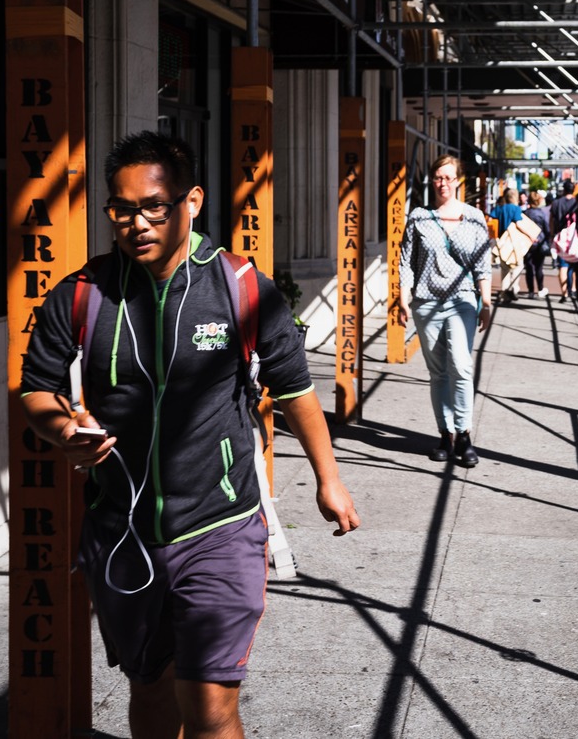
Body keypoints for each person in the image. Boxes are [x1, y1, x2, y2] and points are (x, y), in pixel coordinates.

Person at [19, 131, 359, 739]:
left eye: (154, 206)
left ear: (192, 202)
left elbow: (295, 390)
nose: (137, 223)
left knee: (208, 706)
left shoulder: (242, 287)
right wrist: (61, 428)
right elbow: (36, 388)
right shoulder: (82, 294)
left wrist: (329, 479)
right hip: (122, 534)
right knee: (149, 696)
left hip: (219, 526)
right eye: (121, 210)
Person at [392, 154, 493, 469]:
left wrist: (486, 302)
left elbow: (483, 264)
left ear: (458, 180)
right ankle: (445, 434)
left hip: (462, 300)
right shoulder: (420, 217)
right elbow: (406, 261)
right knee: (438, 373)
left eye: (449, 177)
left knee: (461, 367)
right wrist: (401, 298)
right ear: (432, 181)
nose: (443, 183)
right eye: (438, 177)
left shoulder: (474, 217)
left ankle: (464, 432)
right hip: (426, 302)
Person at [489, 186, 524, 303]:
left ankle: (504, 292)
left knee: (504, 268)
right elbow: (518, 224)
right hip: (514, 241)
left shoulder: (499, 209)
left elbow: (491, 220)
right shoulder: (516, 209)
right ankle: (513, 289)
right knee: (518, 266)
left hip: (502, 241)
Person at [547, 178, 578, 303]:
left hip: (560, 236)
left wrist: (551, 234)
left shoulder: (556, 203)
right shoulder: (577, 202)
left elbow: (551, 220)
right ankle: (574, 289)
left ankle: (564, 293)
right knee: (574, 265)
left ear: (564, 189)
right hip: (574, 237)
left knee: (563, 266)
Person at [522, 190, 550, 298]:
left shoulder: (525, 213)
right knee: (539, 268)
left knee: (529, 268)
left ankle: (530, 291)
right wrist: (547, 240)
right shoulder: (541, 214)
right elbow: (547, 229)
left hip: (528, 243)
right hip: (540, 243)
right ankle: (540, 288)